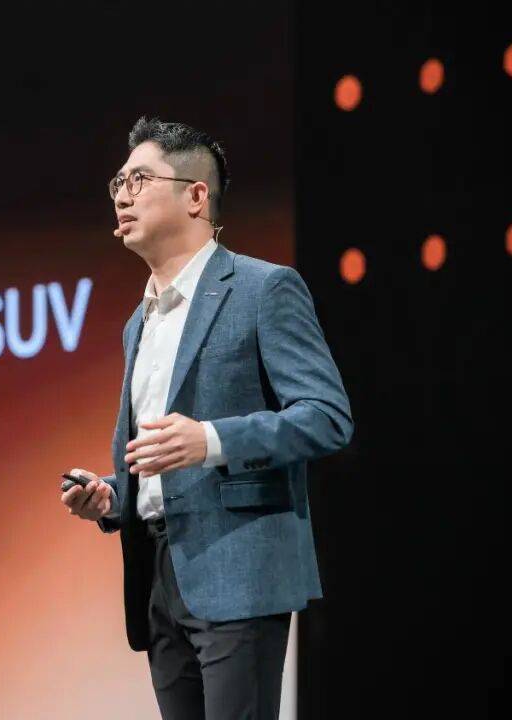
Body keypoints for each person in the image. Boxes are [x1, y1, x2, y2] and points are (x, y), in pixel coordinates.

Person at [62, 116, 353, 719]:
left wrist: (212, 440)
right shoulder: (138, 323)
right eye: (118, 182)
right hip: (158, 577)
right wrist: (112, 497)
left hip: (238, 568)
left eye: (140, 179)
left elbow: (326, 416)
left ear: (196, 195)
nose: (122, 195)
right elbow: (158, 460)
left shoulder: (263, 288)